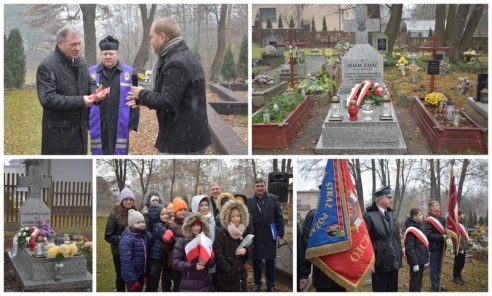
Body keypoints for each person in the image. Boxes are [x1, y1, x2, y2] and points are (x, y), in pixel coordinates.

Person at [127, 17, 211, 154]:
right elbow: (171, 94)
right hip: (186, 137)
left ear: (162, 37)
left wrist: (142, 94)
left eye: (151, 37)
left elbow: (167, 102)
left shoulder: (177, 63)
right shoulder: (179, 56)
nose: (150, 42)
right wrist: (141, 99)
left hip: (184, 143)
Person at [37, 25, 104, 155]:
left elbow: (89, 82)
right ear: (60, 44)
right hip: (58, 137)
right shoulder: (47, 66)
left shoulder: (81, 62)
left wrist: (96, 92)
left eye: (79, 44)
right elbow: (48, 99)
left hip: (80, 133)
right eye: (73, 45)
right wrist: (81, 101)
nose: (78, 48)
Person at [88, 35, 139, 155]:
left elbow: (136, 99)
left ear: (117, 54)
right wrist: (86, 122)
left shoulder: (130, 73)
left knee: (119, 153)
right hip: (99, 120)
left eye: (111, 53)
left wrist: (132, 123)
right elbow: (86, 98)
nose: (108, 57)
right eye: (105, 54)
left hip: (120, 121)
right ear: (101, 55)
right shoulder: (91, 73)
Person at [247, 178, 284, 292]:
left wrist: (280, 232)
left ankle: (270, 284)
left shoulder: (274, 199)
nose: (260, 188)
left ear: (265, 186)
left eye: (262, 186)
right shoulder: (249, 201)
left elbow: (279, 216)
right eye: (257, 186)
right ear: (254, 187)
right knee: (256, 261)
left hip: (269, 235)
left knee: (270, 262)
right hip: (256, 235)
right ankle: (257, 284)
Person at [363, 186, 402, 292]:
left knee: (393, 290)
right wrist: (369, 263)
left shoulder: (391, 213)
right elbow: (365, 240)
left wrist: (399, 252)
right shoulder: (368, 215)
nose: (391, 199)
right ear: (380, 199)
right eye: (388, 197)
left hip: (394, 260)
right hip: (380, 262)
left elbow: (396, 236)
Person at [298, 209, 346, 292]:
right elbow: (307, 247)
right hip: (323, 277)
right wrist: (304, 274)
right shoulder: (313, 216)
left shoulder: (344, 214)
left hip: (343, 276)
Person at [213, 200, 251, 291]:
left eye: (238, 216)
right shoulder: (221, 233)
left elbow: (248, 249)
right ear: (228, 217)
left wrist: (246, 251)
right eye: (233, 216)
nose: (236, 219)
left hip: (240, 274)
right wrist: (229, 270)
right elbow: (218, 253)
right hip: (226, 276)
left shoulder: (243, 231)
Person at [104, 187, 137, 292]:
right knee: (121, 276)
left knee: (132, 275)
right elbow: (108, 235)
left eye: (131, 199)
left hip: (133, 250)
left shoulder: (135, 213)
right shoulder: (115, 214)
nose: (129, 202)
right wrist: (124, 240)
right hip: (119, 251)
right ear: (122, 200)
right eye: (126, 199)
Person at [172, 213, 216, 292]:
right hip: (188, 284)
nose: (196, 228)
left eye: (198, 225)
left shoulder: (205, 240)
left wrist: (206, 261)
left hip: (204, 283)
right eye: (193, 226)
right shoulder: (182, 242)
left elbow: (212, 261)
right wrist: (193, 266)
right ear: (188, 227)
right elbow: (176, 263)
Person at [163, 197, 189, 291]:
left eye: (184, 209)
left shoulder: (190, 223)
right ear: (175, 212)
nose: (182, 212)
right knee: (178, 284)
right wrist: (167, 240)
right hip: (175, 259)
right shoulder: (170, 225)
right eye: (180, 210)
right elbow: (166, 246)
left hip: (188, 258)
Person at [119, 209, 148, 292]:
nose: (141, 224)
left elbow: (145, 255)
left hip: (141, 273)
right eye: (138, 222)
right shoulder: (127, 239)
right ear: (131, 224)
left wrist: (146, 273)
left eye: (143, 222)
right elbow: (126, 262)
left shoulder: (142, 235)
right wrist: (133, 280)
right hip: (131, 277)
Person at [425, 199, 448, 292]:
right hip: (434, 247)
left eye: (439, 205)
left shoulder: (441, 218)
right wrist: (442, 237)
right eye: (437, 205)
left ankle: (439, 284)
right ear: (431, 207)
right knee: (434, 268)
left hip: (442, 246)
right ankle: (434, 286)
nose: (439, 206)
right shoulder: (428, 220)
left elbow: (447, 228)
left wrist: (449, 218)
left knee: (439, 267)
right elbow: (429, 235)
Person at [404, 208, 429, 292]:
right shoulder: (411, 229)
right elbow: (410, 248)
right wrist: (414, 263)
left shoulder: (420, 225)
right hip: (416, 260)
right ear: (414, 216)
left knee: (419, 280)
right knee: (414, 280)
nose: (422, 216)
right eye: (420, 214)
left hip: (421, 258)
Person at [145, 203, 169, 292]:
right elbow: (169, 236)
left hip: (158, 256)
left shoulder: (162, 224)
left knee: (155, 278)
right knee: (154, 279)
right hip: (155, 258)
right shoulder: (158, 226)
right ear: (156, 215)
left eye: (166, 213)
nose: (165, 216)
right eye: (162, 214)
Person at [453, 210, 469, 285]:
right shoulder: (456, 224)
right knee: (458, 263)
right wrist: (459, 248)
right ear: (458, 215)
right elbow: (455, 237)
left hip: (463, 246)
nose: (464, 214)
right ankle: (455, 277)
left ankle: (459, 276)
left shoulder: (461, 222)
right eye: (463, 213)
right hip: (459, 247)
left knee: (461, 263)